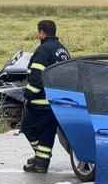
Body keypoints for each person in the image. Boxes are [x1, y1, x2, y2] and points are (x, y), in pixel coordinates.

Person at [21, 20, 71, 173]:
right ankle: (41, 162)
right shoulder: (62, 50)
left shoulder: (43, 50)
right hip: (57, 101)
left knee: (28, 128)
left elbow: (36, 76)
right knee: (47, 133)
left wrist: (28, 95)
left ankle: (40, 158)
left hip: (40, 101)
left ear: (41, 33)